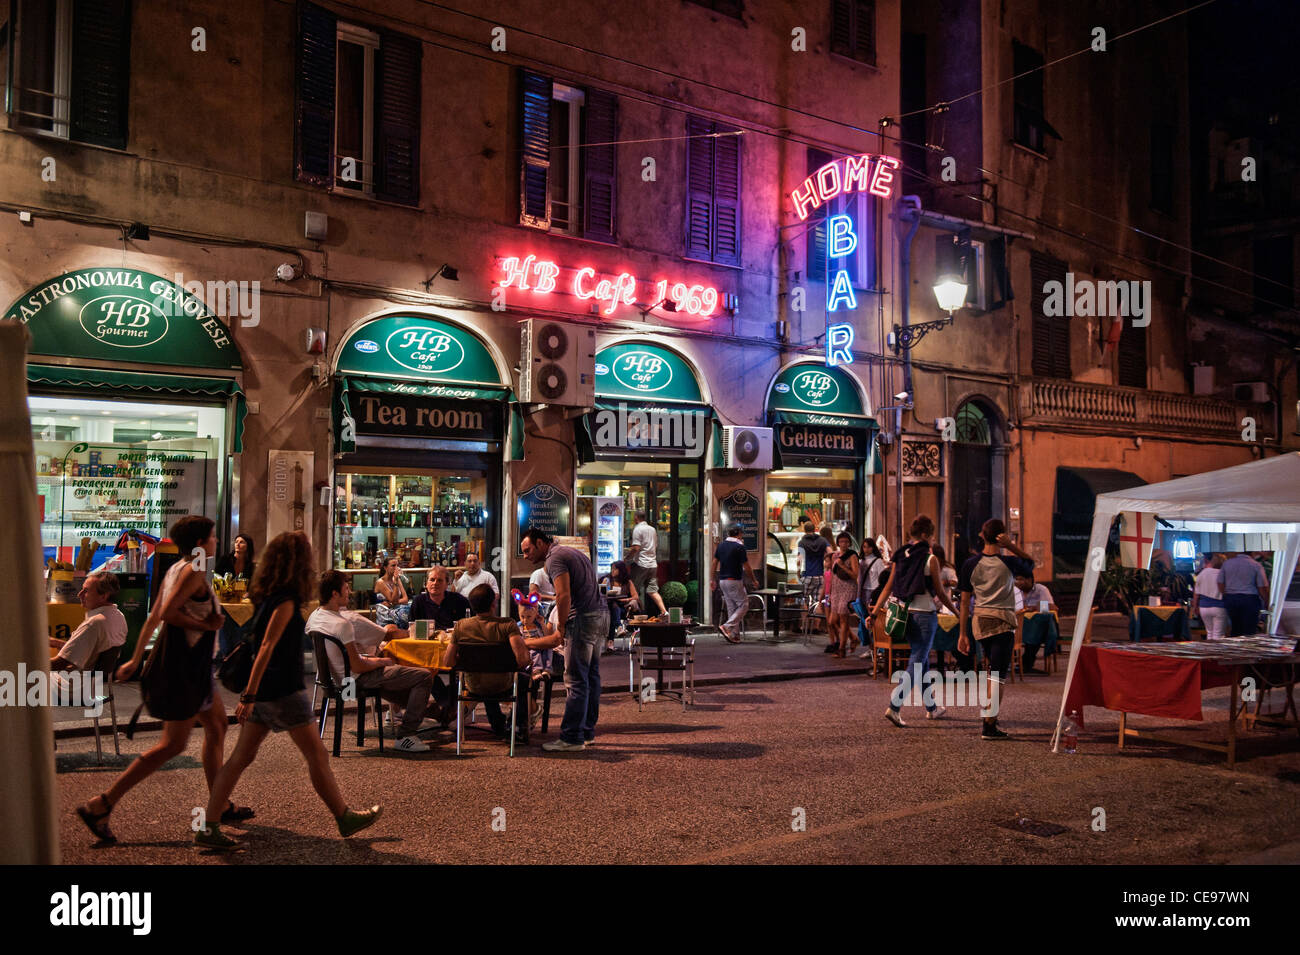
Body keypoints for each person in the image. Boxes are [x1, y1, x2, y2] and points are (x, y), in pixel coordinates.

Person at [196, 532, 382, 850]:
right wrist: (247, 695)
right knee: (316, 754)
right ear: (298, 562)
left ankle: (209, 823)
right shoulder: (285, 599)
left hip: (269, 689)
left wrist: (253, 694)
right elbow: (267, 647)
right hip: (282, 689)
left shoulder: (268, 594)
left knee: (242, 757)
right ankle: (344, 817)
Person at [76, 516, 248, 844]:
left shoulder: (177, 569)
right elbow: (167, 613)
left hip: (192, 669)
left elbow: (153, 615)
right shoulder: (193, 571)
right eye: (212, 536)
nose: (215, 541)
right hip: (185, 670)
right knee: (172, 744)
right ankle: (103, 803)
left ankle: (220, 805)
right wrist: (208, 625)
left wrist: (136, 658)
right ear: (200, 542)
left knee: (217, 728)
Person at [307, 571, 438, 751]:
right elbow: (358, 666)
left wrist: (372, 660)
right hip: (352, 683)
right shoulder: (343, 624)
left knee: (401, 685)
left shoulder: (315, 617)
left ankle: (439, 715)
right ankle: (406, 735)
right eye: (346, 588)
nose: (350, 592)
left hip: (333, 681)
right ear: (335, 594)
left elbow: (346, 658)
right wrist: (381, 662)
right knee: (422, 677)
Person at [520, 527, 608, 752]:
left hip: (581, 618)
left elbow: (563, 593)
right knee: (591, 676)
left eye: (528, 550)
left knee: (576, 678)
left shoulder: (554, 559)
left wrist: (561, 627)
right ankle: (586, 732)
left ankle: (572, 738)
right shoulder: (573, 552)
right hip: (599, 615)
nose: (526, 555)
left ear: (540, 543)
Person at [870, 515, 957, 725]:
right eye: (933, 537)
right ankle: (894, 706)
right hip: (926, 615)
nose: (934, 541)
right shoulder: (930, 559)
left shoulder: (901, 557)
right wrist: (956, 610)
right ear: (926, 535)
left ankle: (932, 707)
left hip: (905, 615)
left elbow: (888, 586)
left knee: (922, 661)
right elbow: (940, 592)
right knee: (918, 661)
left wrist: (874, 612)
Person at [957, 519, 1034, 740]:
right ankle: (989, 725)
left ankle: (990, 717)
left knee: (991, 671)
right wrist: (1010, 546)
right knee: (998, 675)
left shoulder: (970, 564)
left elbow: (964, 601)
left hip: (980, 622)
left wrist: (962, 634)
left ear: (982, 535)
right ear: (1001, 536)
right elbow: (1030, 564)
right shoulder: (1008, 562)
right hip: (1003, 621)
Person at [444, 584, 532, 743]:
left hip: (473, 686)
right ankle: (517, 728)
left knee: (483, 674)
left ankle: (498, 724)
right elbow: (523, 659)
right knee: (523, 679)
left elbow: (448, 661)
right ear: (493, 603)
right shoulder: (508, 625)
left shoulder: (461, 626)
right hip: (503, 685)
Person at [49, 571, 127, 697]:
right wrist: (55, 642)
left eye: (86, 591)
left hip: (74, 688)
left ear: (104, 596)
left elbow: (60, 663)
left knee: (17, 677)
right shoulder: (119, 616)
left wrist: (28, 663)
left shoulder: (94, 623)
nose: (80, 594)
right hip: (93, 685)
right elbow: (87, 652)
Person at [514, 591, 558, 730]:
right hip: (525, 656)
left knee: (541, 652)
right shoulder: (519, 626)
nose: (525, 620)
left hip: (538, 650)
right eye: (522, 617)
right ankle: (527, 715)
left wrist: (541, 623)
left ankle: (543, 669)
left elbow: (547, 636)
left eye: (528, 616)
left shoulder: (538, 625)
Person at [713, 525, 756, 644]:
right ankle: (727, 626)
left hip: (722, 581)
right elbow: (746, 566)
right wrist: (754, 580)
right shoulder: (739, 546)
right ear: (740, 534)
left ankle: (734, 635)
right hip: (734, 580)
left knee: (732, 607)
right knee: (744, 604)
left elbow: (714, 563)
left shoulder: (721, 545)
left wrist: (712, 579)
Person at [1013, 572, 1058, 673]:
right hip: (1020, 624)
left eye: (1021, 579)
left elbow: (1053, 607)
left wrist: (1034, 608)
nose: (1018, 582)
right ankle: (1011, 662)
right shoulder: (1015, 591)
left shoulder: (1041, 589)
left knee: (1037, 631)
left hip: (1039, 624)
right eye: (1016, 579)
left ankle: (1026, 663)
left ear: (1029, 580)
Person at [627, 511, 667, 616]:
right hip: (652, 564)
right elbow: (655, 545)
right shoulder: (652, 529)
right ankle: (664, 611)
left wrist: (627, 558)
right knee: (652, 591)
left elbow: (636, 547)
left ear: (636, 518)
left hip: (641, 564)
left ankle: (633, 616)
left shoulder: (638, 529)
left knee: (633, 590)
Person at [827, 531, 860, 657]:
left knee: (843, 619)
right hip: (836, 590)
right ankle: (853, 638)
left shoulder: (852, 556)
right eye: (841, 541)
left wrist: (843, 566)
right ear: (838, 543)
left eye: (846, 542)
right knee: (832, 621)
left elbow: (855, 575)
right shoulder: (835, 556)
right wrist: (829, 592)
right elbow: (832, 575)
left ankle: (841, 649)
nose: (844, 544)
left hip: (848, 588)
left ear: (849, 543)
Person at [1221, 551, 1269, 636]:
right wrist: (1266, 600)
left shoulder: (1227, 563)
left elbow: (1220, 582)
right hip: (1250, 599)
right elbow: (1261, 586)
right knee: (1249, 629)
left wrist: (1225, 595)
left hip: (1231, 598)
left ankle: (1235, 646)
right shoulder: (1256, 565)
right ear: (1252, 553)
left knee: (1235, 627)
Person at [853, 538, 886, 659]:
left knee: (875, 621)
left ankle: (879, 649)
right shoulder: (860, 561)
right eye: (864, 547)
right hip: (863, 592)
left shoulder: (878, 561)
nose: (866, 549)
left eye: (869, 546)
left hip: (874, 592)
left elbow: (882, 578)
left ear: (873, 547)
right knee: (865, 622)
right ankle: (871, 648)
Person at [797, 521, 830, 629]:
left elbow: (799, 559)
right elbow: (831, 552)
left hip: (807, 575)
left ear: (804, 530)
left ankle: (804, 626)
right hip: (820, 576)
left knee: (803, 599)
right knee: (818, 601)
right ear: (815, 529)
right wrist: (827, 563)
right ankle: (816, 627)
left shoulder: (802, 542)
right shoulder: (822, 540)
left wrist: (798, 571)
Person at [602, 559, 640, 651]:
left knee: (613, 611)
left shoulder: (627, 582)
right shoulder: (607, 579)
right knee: (613, 607)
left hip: (623, 609)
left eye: (615, 569)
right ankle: (619, 627)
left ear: (621, 570)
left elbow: (636, 597)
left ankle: (610, 642)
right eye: (611, 569)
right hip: (610, 607)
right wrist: (604, 585)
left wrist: (626, 599)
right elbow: (601, 593)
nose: (612, 571)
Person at [1192, 553, 1229, 640]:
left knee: (1209, 632)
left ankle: (1209, 652)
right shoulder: (1222, 573)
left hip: (1203, 607)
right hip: (1219, 606)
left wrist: (1195, 607)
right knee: (1218, 635)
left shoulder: (1203, 573)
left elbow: (1196, 592)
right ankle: (1217, 653)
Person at [374, 556, 411, 628]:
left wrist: (391, 603)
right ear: (385, 568)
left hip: (395, 608)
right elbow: (393, 599)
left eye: (397, 565)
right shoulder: (380, 582)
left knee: (412, 607)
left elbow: (405, 599)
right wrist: (396, 582)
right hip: (385, 612)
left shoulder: (396, 579)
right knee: (405, 612)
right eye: (393, 566)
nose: (396, 568)